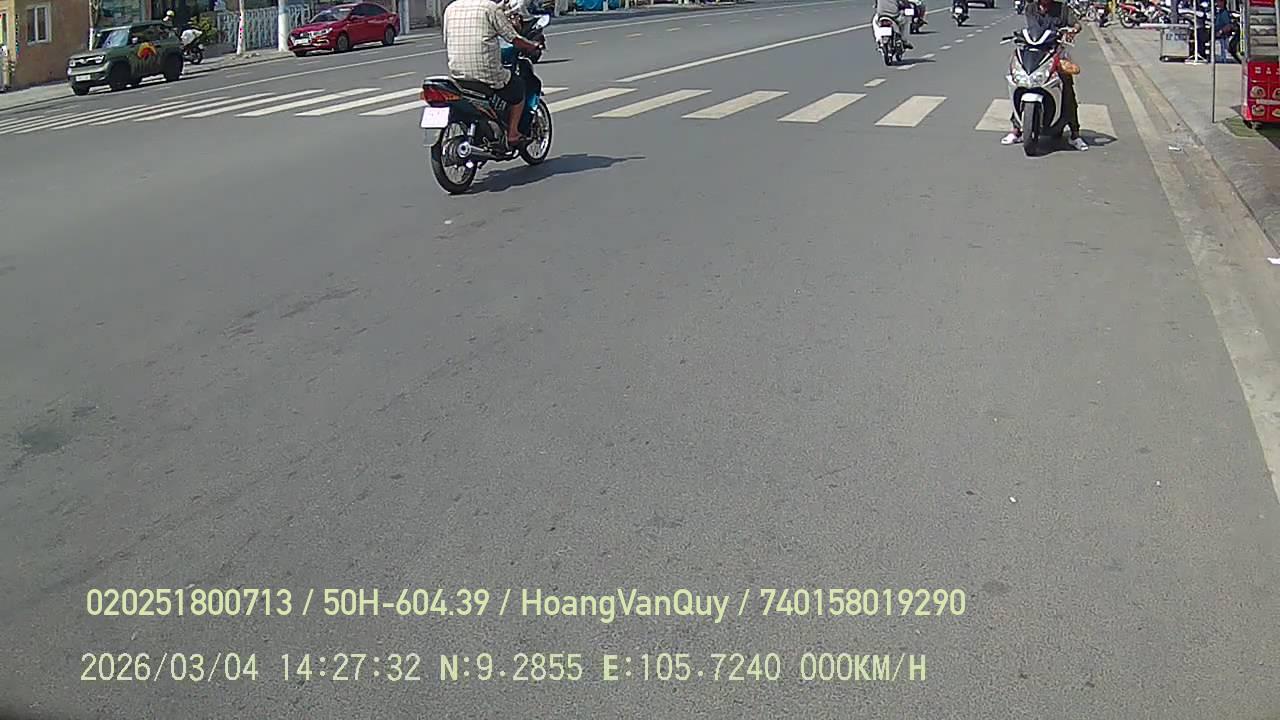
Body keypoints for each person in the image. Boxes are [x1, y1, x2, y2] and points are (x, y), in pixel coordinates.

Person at [443, 0, 544, 147]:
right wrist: (531, 45)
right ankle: (513, 133)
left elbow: (447, 38)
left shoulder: (450, 8)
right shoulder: (489, 8)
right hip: (486, 73)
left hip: (458, 73)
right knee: (518, 87)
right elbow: (513, 38)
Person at [1001, 0, 1088, 150]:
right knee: (1020, 83)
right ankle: (1016, 129)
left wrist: (1073, 30)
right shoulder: (1031, 8)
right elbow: (1033, 30)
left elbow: (1076, 24)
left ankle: (1075, 134)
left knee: (1067, 88)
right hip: (1033, 53)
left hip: (1056, 52)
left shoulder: (1062, 9)